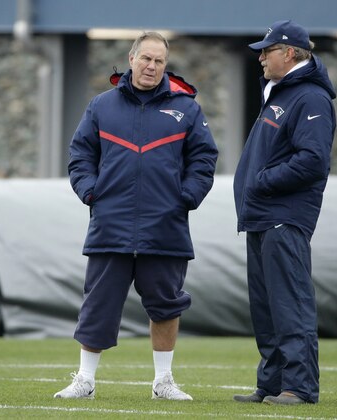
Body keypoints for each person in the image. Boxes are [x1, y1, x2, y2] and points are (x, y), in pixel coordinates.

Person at [54, 31, 218, 401]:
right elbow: (80, 155)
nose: (152, 66)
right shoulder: (101, 106)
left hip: (166, 226)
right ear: (131, 59)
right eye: (146, 59)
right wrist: (91, 192)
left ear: (165, 65)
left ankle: (163, 381)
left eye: (159, 61)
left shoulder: (187, 108)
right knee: (98, 303)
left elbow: (204, 159)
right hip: (111, 223)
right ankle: (85, 380)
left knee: (166, 304)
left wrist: (187, 197)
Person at [232, 20, 337, 405]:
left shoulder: (309, 97)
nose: (260, 57)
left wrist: (261, 180)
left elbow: (313, 160)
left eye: (267, 50)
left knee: (289, 303)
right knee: (265, 307)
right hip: (262, 216)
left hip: (284, 215)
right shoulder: (280, 93)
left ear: (290, 52)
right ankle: (273, 383)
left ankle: (300, 387)